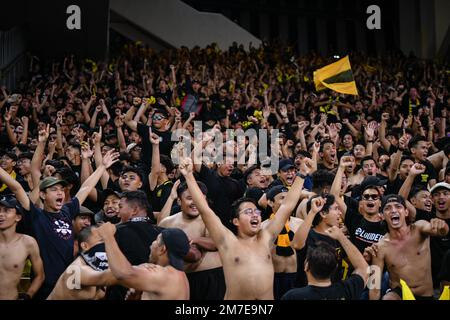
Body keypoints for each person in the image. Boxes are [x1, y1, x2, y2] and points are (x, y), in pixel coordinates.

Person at [179, 156, 313, 299]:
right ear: (236, 221)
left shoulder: (266, 237)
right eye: (248, 212)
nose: (255, 215)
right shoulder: (228, 242)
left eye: (256, 212)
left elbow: (287, 206)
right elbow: (205, 210)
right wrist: (188, 176)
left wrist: (302, 174)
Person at [0, 149, 119, 299]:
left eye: (62, 190)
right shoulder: (36, 216)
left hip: (70, 280)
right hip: (46, 286)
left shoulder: (67, 212)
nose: (60, 193)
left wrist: (102, 166)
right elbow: (16, 187)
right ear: (42, 195)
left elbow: (86, 188)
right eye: (54, 190)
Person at [369, 194, 449, 300]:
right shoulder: (380, 247)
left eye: (398, 206)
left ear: (406, 212)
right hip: (399, 295)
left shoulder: (419, 228)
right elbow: (374, 286)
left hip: (426, 295)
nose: (393, 210)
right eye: (388, 208)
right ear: (382, 216)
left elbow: (441, 231)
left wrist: (442, 225)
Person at [158, 180, 225, 300]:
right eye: (189, 198)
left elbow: (219, 243)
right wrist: (171, 196)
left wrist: (194, 240)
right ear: (179, 201)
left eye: (199, 198)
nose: (195, 202)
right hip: (182, 281)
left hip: (211, 279)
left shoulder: (210, 219)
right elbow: (159, 229)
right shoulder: (168, 222)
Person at [99, 222, 190, 300]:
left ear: (162, 249)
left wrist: (108, 236)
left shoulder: (163, 275)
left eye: (156, 240)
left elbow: (123, 274)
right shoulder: (181, 276)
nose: (151, 243)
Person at [282, 226, 369, 300]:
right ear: (335, 267)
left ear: (306, 266)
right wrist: (341, 237)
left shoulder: (292, 297)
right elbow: (364, 268)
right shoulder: (347, 290)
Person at [105, 190, 162, 300]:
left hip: (122, 294)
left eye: (120, 207)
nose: (118, 212)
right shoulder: (163, 233)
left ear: (134, 210)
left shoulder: (114, 232)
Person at [47, 226, 117, 300]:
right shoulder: (76, 270)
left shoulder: (99, 266)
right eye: (101, 241)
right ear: (85, 246)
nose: (107, 245)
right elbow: (116, 276)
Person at [261, 185, 303, 299]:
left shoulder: (299, 223)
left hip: (296, 277)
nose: (287, 202)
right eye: (282, 198)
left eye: (289, 198)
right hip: (273, 278)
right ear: (270, 202)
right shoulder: (263, 227)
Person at [0, 196, 44, 300]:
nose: (1, 214)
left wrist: (28, 296)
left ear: (18, 217)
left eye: (6, 211)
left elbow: (40, 276)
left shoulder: (28, 243)